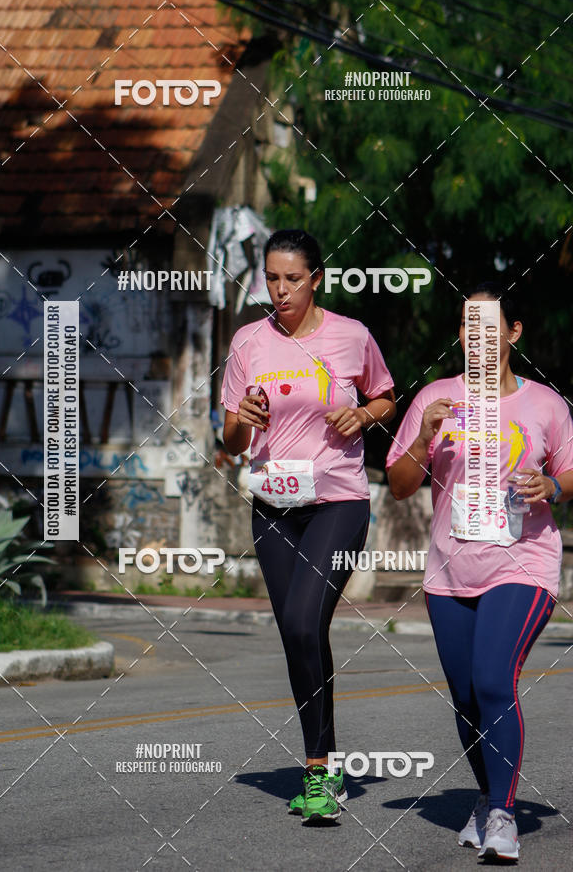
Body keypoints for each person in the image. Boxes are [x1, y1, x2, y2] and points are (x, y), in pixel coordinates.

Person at [386, 282, 573, 861]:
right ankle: (490, 793)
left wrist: (552, 486)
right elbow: (398, 485)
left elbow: (569, 473)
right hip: (449, 568)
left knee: (494, 680)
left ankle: (501, 815)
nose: (478, 337)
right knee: (467, 696)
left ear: (513, 333)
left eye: (490, 327)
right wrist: (423, 436)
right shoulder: (437, 397)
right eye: (469, 326)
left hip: (524, 561)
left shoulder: (545, 404)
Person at [220, 229, 396, 823]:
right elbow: (230, 440)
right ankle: (324, 768)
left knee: (303, 619)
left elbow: (387, 396)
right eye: (271, 278)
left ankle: (320, 775)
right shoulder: (248, 342)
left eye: (293, 278)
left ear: (316, 278)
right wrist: (241, 420)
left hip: (339, 501)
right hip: (273, 504)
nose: (281, 289)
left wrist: (364, 412)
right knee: (298, 634)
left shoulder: (351, 336)